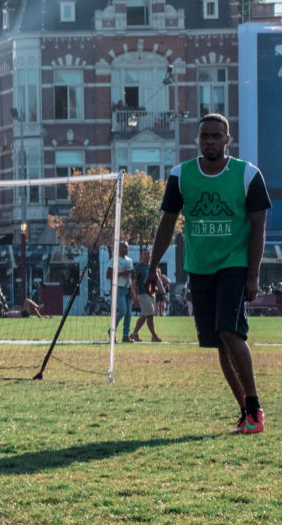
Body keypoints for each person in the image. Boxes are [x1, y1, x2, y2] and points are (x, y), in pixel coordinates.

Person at [150, 112, 270, 433]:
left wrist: (253, 275)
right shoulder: (180, 175)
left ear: (227, 140)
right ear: (198, 140)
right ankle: (245, 413)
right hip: (199, 269)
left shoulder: (248, 175)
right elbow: (166, 225)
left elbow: (258, 227)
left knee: (230, 331)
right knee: (220, 341)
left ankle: (255, 410)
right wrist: (152, 268)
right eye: (205, 136)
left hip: (234, 264)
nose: (211, 141)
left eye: (217, 136)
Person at [132, 247, 165, 343]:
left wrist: (162, 291)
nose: (147, 256)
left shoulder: (152, 266)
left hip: (152, 295)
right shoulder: (138, 268)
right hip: (143, 294)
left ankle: (134, 334)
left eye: (148, 254)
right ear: (141, 256)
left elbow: (158, 278)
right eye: (145, 254)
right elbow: (133, 282)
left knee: (144, 316)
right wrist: (134, 295)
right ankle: (154, 336)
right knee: (150, 315)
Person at [108, 242, 135, 343]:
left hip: (128, 288)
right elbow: (108, 275)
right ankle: (111, 330)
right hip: (118, 288)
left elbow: (133, 276)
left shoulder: (130, 261)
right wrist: (120, 274)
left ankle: (125, 336)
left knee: (128, 313)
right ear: (118, 248)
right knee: (122, 311)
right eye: (124, 247)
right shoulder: (114, 260)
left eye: (127, 247)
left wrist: (133, 289)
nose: (126, 249)